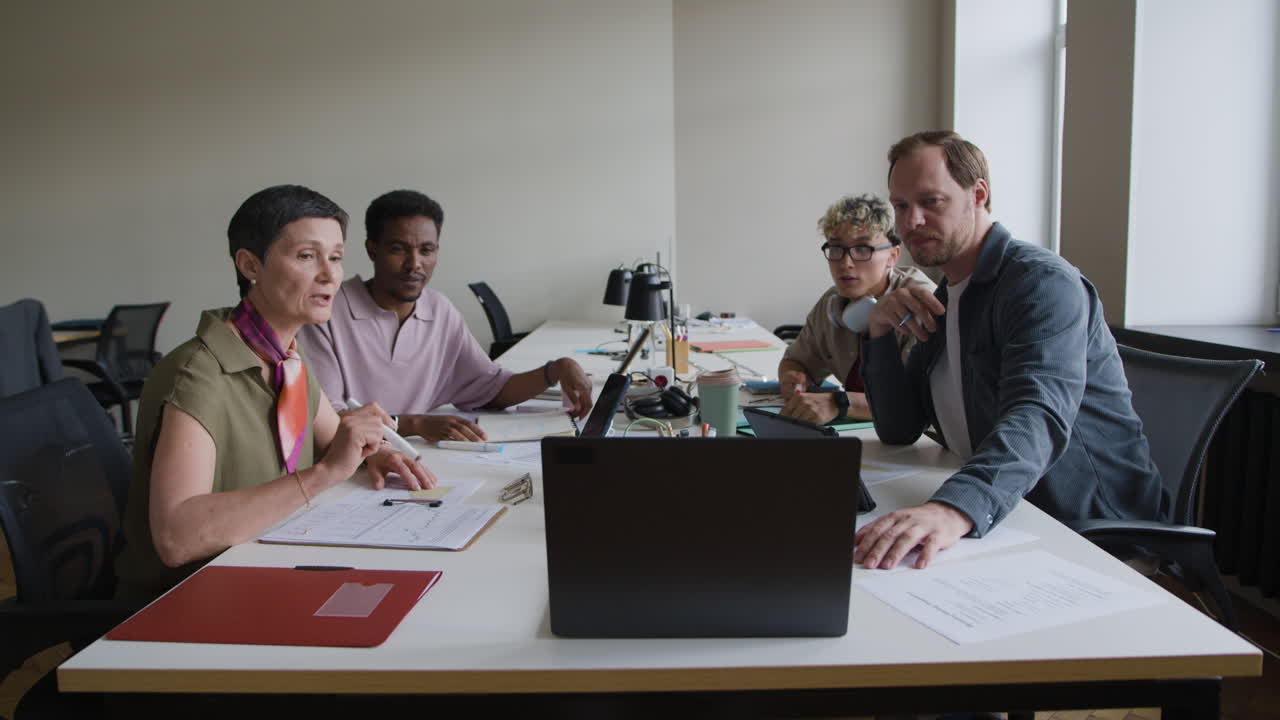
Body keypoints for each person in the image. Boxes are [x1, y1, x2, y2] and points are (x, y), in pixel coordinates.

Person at [854, 131, 1168, 571]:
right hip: (1006, 507)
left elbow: (1036, 415)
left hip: (1085, 525)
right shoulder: (948, 294)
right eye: (901, 206)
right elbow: (899, 428)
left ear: (978, 194)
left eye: (932, 202)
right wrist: (880, 334)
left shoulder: (1040, 284)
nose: (912, 222)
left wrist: (953, 509)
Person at [117, 185, 437, 602]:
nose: (330, 275)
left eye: (336, 257)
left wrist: (375, 451)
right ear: (251, 264)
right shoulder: (198, 373)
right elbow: (178, 538)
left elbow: (334, 437)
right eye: (307, 256)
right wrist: (325, 474)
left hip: (263, 569)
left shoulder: (286, 355)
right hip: (186, 600)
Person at [297, 190, 593, 443]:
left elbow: (490, 389)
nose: (414, 264)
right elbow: (328, 419)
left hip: (418, 459)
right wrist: (414, 424)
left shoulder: (439, 310)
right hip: (349, 466)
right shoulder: (326, 312)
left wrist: (556, 369)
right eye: (399, 249)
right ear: (372, 249)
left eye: (427, 250)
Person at [777, 193, 934, 424]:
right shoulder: (833, 302)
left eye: (862, 249)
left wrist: (838, 403)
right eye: (836, 249)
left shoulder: (921, 303)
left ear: (893, 256)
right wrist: (793, 377)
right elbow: (796, 360)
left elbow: (919, 402)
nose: (845, 263)